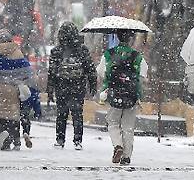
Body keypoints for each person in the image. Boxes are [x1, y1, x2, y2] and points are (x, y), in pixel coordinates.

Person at [97, 30, 148, 166]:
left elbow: (101, 72)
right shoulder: (137, 56)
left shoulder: (109, 54)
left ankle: (118, 145)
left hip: (114, 93)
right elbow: (142, 75)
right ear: (130, 38)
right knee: (128, 127)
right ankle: (126, 156)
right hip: (131, 95)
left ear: (117, 37)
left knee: (112, 122)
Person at [46, 21, 97, 150]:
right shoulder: (82, 49)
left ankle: (60, 139)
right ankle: (78, 140)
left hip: (61, 85)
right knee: (77, 113)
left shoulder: (56, 51)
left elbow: (52, 72)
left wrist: (50, 90)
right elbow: (90, 68)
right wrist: (93, 84)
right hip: (78, 86)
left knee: (61, 113)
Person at [0, 29, 33, 151]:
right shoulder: (17, 52)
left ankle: (1, 134)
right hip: (11, 89)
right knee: (11, 115)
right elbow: (26, 71)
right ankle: (14, 139)